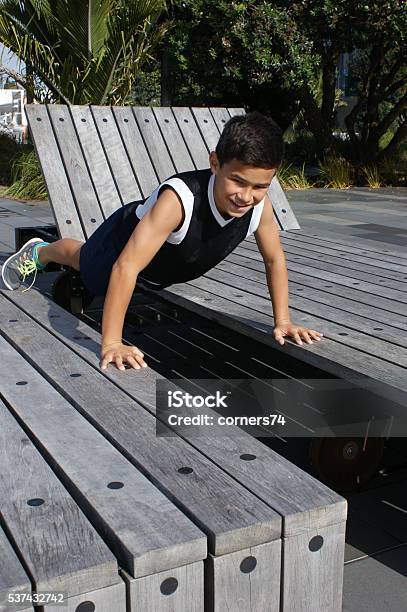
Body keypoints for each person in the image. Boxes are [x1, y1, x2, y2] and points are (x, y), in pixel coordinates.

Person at [1, 112, 322, 370]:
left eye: (259, 186)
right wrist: (111, 341)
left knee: (115, 276)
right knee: (84, 264)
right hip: (121, 243)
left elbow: (274, 259)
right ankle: (41, 251)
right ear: (215, 164)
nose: (246, 196)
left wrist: (283, 321)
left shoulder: (258, 208)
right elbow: (126, 267)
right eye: (237, 181)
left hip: (155, 269)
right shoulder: (178, 202)